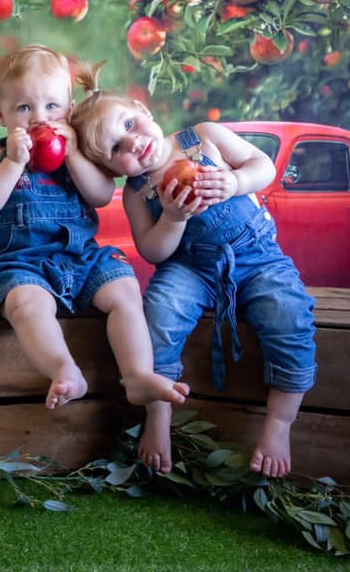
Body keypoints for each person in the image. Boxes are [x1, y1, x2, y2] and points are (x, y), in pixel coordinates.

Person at [69, 64, 316, 478]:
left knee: (288, 314)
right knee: (160, 312)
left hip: (255, 255)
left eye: (129, 124)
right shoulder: (137, 193)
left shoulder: (202, 137)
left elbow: (264, 166)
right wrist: (173, 218)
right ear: (113, 170)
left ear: (141, 108)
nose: (134, 142)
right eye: (117, 149)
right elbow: (154, 251)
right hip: (191, 267)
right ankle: (159, 416)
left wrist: (235, 183)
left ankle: (279, 423)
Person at [0, 45, 190, 411]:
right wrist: (13, 164)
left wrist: (71, 154)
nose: (39, 118)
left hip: (80, 258)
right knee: (26, 304)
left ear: (69, 110)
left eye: (52, 106)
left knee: (125, 288)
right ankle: (64, 369)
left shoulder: (77, 153)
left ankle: (136, 375)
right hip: (18, 263)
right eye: (24, 108)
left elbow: (102, 195)